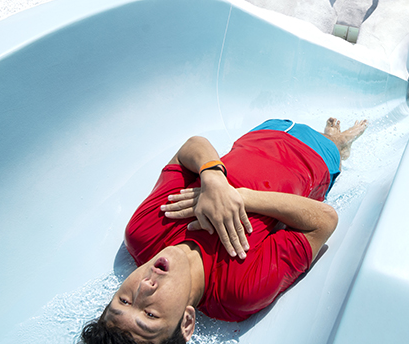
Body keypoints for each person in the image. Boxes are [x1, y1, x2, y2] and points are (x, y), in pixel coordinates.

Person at [79, 118, 368, 344]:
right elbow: (324, 220)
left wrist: (213, 178)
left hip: (263, 133)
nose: (143, 288)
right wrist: (238, 197)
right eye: (150, 313)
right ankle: (340, 141)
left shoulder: (144, 232)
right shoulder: (239, 290)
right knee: (335, 145)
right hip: (314, 158)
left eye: (124, 300)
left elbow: (190, 148)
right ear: (187, 323)